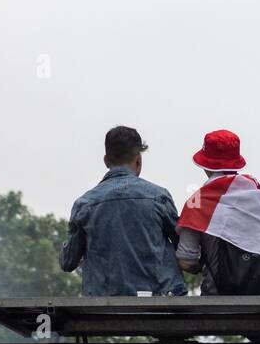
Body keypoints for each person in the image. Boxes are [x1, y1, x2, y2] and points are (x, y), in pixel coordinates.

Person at [59, 126, 186, 297]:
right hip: (159, 302)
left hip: (104, 306)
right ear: (138, 160)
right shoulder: (159, 197)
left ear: (106, 160)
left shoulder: (84, 204)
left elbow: (67, 262)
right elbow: (184, 248)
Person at [175, 129, 260, 297]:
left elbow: (186, 260)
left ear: (205, 165)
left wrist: (204, 264)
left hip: (217, 300)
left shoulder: (198, 203)